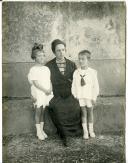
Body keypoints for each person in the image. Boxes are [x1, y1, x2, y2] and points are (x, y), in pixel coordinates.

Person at [46, 39, 82, 146]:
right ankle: (64, 135)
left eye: (63, 50)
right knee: (57, 108)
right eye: (58, 51)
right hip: (56, 94)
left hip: (69, 93)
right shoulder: (49, 66)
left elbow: (76, 81)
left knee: (75, 106)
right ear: (54, 52)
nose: (61, 53)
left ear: (65, 50)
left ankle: (75, 133)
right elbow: (46, 81)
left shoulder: (71, 64)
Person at [28, 43, 53, 140]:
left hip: (46, 93)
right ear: (34, 57)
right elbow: (36, 83)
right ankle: (38, 131)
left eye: (43, 55)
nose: (42, 57)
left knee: (43, 111)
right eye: (39, 56)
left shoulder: (46, 69)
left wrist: (50, 89)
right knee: (38, 111)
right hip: (38, 93)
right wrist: (45, 90)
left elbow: (49, 80)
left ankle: (42, 130)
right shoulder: (33, 69)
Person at [72, 50, 99, 139]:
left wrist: (94, 97)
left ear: (88, 60)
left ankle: (91, 130)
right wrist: (75, 95)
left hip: (89, 96)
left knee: (90, 113)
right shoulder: (76, 72)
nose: (80, 61)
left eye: (83, 59)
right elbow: (74, 85)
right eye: (79, 59)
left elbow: (95, 86)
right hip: (81, 96)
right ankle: (85, 132)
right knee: (83, 113)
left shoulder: (92, 72)